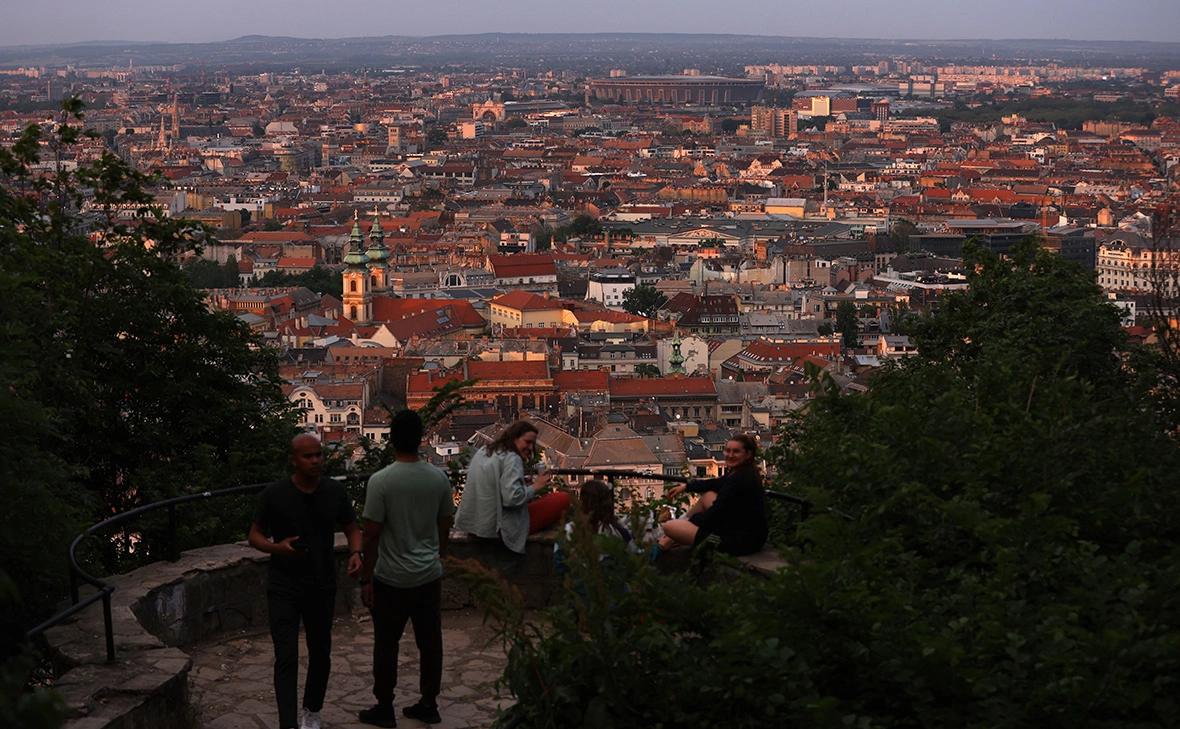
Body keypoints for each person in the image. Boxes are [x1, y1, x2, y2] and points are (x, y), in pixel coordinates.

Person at [248, 433, 363, 729]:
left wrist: (356, 553)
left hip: (322, 583)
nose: (315, 461)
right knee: (285, 656)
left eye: (319, 455)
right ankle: (288, 723)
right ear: (294, 460)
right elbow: (255, 534)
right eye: (308, 456)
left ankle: (312, 710)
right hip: (283, 584)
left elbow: (352, 529)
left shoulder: (334, 492)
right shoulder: (275, 494)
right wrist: (277, 548)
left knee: (320, 652)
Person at [358, 410, 455, 728]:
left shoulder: (381, 481)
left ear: (392, 440)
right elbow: (445, 526)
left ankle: (384, 706)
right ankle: (429, 702)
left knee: (386, 643)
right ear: (421, 439)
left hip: (391, 577)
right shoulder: (439, 478)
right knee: (430, 642)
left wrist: (366, 578)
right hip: (427, 575)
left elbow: (371, 534)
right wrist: (438, 556)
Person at [454, 420, 571, 555]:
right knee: (562, 498)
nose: (532, 448)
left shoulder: (484, 451)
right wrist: (535, 486)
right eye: (527, 442)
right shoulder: (512, 458)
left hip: (473, 525)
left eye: (533, 443)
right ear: (514, 439)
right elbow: (512, 500)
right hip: (497, 530)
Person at [656, 434, 767, 558]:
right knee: (708, 496)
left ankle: (676, 535)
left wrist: (689, 521)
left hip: (736, 542)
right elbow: (716, 483)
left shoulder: (738, 480)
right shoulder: (745, 472)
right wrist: (687, 487)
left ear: (748, 454)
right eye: (728, 450)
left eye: (736, 451)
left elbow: (715, 514)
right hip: (750, 534)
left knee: (669, 527)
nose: (730, 455)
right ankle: (681, 531)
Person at [553, 479, 635, 577]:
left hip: (578, 588)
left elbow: (559, 564)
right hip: (610, 588)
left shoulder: (567, 530)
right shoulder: (617, 532)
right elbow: (635, 559)